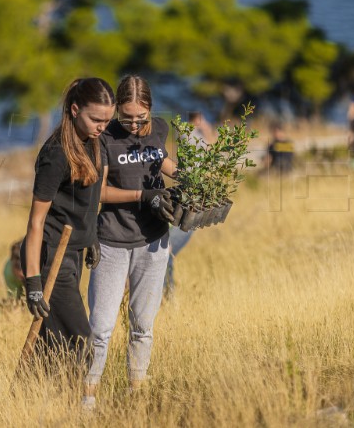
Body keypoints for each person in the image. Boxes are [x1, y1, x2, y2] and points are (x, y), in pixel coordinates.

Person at [83, 75, 177, 410]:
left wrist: (183, 175)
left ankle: (137, 394)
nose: (135, 124)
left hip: (154, 242)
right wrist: (143, 195)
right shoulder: (105, 137)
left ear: (151, 110)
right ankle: (87, 399)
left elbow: (160, 159)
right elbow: (100, 191)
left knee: (142, 326)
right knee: (101, 327)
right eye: (127, 118)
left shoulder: (160, 128)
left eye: (142, 117)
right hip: (112, 241)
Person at [20, 77, 115, 365]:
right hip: (50, 258)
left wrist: (92, 236)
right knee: (82, 346)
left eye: (107, 120)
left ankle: (32, 404)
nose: (102, 126)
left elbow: (90, 200)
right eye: (96, 119)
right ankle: (75, 407)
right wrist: (34, 282)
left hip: (72, 253)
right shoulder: (56, 154)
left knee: (53, 350)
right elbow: (35, 222)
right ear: (75, 110)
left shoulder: (95, 142)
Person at [163, 110, 215, 296]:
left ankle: (169, 292)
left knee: (168, 253)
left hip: (197, 185)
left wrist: (207, 130)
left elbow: (213, 149)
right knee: (167, 252)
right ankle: (168, 292)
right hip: (187, 182)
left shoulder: (200, 134)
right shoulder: (185, 132)